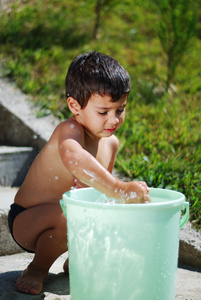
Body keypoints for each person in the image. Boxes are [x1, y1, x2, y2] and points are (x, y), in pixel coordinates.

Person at [8, 51, 151, 295]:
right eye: (103, 112)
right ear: (75, 106)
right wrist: (121, 189)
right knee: (72, 215)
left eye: (120, 109)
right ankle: (38, 268)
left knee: (107, 213)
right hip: (28, 221)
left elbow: (100, 193)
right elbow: (75, 158)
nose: (114, 119)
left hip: (69, 217)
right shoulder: (69, 130)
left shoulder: (111, 143)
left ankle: (76, 262)